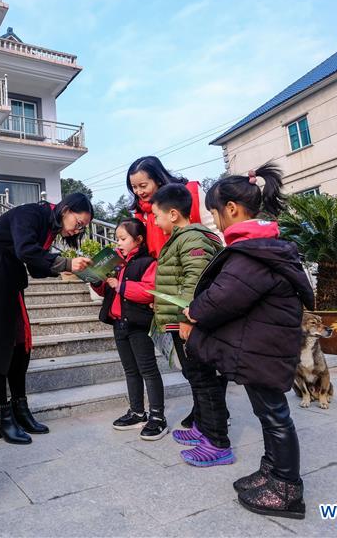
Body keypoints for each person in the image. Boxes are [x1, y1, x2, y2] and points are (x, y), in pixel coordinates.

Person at [182, 163, 314, 519]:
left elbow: (222, 298)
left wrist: (194, 314)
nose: (215, 221)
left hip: (265, 349)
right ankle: (271, 472)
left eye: (214, 212)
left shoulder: (252, 251)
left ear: (232, 209)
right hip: (263, 346)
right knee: (268, 413)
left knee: (275, 416)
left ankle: (287, 490)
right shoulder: (260, 246)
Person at [0, 193, 94, 445]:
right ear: (66, 210)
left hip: (8, 278)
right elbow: (26, 250)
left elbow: (37, 266)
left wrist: (74, 269)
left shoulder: (48, 226)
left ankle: (20, 409)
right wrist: (68, 264)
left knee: (20, 343)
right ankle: (3, 416)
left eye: (83, 228)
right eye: (78, 223)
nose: (77, 230)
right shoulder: (31, 214)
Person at [147, 183, 228, 466]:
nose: (155, 223)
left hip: (190, 323)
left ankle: (218, 442)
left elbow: (196, 281)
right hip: (180, 322)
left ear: (172, 214)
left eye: (156, 216)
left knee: (205, 381)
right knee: (196, 378)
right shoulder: (180, 238)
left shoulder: (191, 238)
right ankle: (203, 429)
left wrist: (185, 318)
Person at [91, 218, 166, 440]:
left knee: (148, 370)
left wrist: (120, 285)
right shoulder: (115, 262)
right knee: (130, 370)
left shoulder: (147, 262)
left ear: (139, 239)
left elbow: (150, 291)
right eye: (117, 239)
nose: (119, 243)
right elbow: (106, 292)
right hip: (119, 323)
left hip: (138, 324)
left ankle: (157, 416)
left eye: (123, 239)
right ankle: (136, 411)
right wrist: (97, 280)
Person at [127, 156, 215, 259]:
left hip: (199, 260)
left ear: (158, 180)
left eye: (143, 185)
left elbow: (213, 230)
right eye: (134, 187)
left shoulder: (191, 193)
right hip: (164, 270)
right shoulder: (141, 214)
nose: (139, 192)